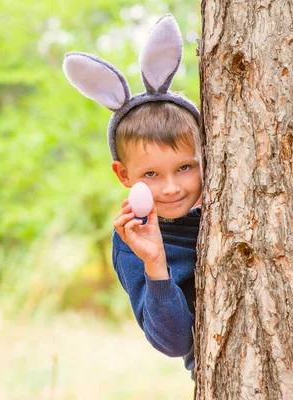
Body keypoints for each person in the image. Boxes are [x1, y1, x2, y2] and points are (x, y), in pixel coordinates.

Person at [63, 14, 201, 379]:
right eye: (151, 174)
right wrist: (155, 264)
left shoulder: (226, 204)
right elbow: (174, 344)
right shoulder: (131, 242)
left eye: (185, 167)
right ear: (124, 175)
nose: (171, 187)